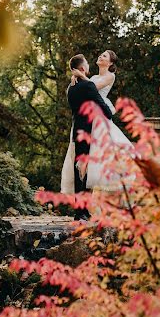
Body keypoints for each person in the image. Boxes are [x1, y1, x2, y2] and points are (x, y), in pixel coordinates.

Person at [61, 50, 135, 201]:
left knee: (101, 156)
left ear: (110, 63)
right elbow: (87, 88)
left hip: (100, 118)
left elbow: (93, 89)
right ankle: (85, 204)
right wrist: (78, 77)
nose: (101, 56)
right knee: (85, 160)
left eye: (105, 56)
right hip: (87, 118)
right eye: (101, 55)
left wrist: (80, 76)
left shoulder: (110, 76)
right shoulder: (92, 77)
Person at [64, 54, 113, 220]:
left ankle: (81, 210)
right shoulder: (89, 85)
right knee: (87, 169)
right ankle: (82, 211)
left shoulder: (71, 88)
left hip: (77, 129)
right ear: (83, 69)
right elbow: (105, 111)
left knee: (80, 169)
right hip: (90, 130)